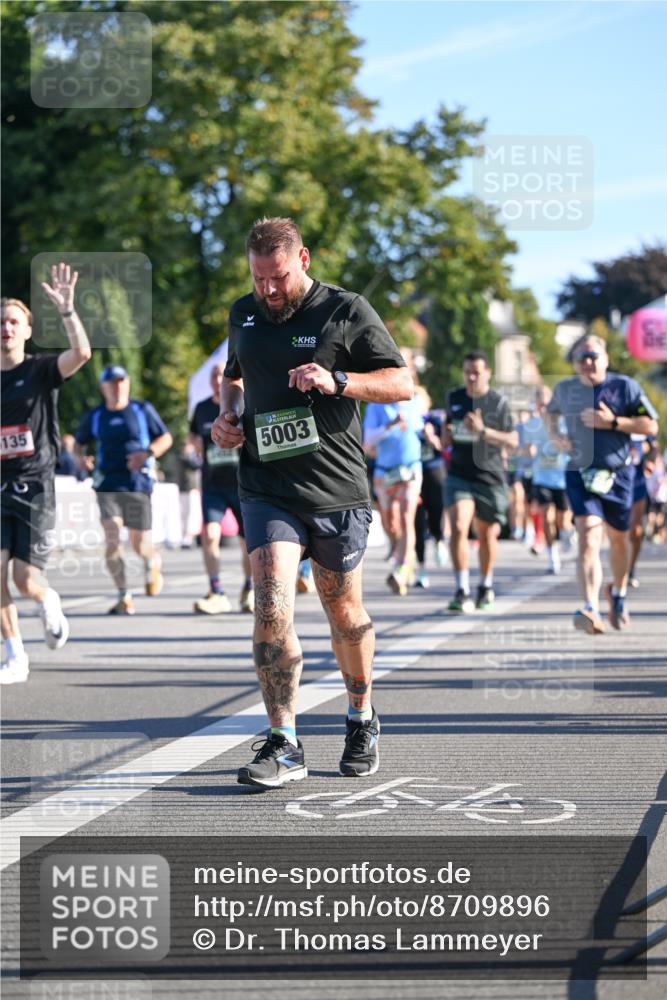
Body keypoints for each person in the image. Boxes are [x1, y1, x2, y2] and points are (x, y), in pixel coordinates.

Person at [211, 216, 412, 789]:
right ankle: (284, 741)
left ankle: (361, 716)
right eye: (258, 279)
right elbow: (236, 376)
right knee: (270, 602)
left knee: (342, 610)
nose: (268, 291)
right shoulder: (243, 312)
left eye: (277, 278)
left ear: (303, 259)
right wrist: (228, 416)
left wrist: (338, 380)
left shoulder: (345, 310)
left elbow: (401, 383)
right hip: (266, 485)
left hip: (334, 488)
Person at [1, 264, 92, 684]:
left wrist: (69, 312)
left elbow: (82, 355)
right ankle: (15, 655)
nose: (6, 327)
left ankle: (46, 597)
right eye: (0, 322)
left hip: (35, 486)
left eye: (13, 321)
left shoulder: (40, 370)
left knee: (24, 579)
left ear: (27, 329)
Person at [547, 335, 658, 633]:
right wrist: (555, 436)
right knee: (587, 535)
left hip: (618, 475)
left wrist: (612, 422)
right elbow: (550, 411)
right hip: (580, 473)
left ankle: (617, 594)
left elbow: (651, 425)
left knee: (619, 540)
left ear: (606, 358)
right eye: (580, 358)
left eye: (593, 356)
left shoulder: (625, 387)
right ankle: (590, 606)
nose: (587, 362)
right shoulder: (566, 389)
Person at [75, 366, 173, 615]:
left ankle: (152, 560)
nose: (117, 386)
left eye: (121, 381)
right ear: (103, 387)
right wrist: (81, 459)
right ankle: (124, 595)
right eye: (112, 382)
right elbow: (78, 444)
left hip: (137, 483)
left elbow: (166, 438)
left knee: (139, 543)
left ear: (127, 384)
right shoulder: (96, 415)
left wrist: (147, 453)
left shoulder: (141, 410)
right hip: (107, 483)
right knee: (112, 536)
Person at [442, 350, 518, 612]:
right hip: (459, 474)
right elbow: (446, 438)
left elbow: (513, 441)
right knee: (459, 527)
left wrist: (483, 430)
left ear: (488, 373)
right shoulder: (454, 397)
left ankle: (485, 585)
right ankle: (461, 589)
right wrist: (447, 434)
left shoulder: (498, 403)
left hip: (490, 475)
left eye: (476, 372)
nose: (471, 377)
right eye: (467, 372)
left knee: (487, 535)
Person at [189, 362, 253, 614]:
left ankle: (249, 589)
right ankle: (216, 590)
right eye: (214, 375)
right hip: (212, 484)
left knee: (247, 542)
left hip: (241, 483)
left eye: (221, 375)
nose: (218, 379)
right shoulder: (202, 408)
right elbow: (193, 437)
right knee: (210, 536)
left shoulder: (244, 403)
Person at [363, 393, 424, 596]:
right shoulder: (376, 405)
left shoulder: (415, 402)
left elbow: (419, 429)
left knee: (407, 517)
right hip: (385, 471)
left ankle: (402, 567)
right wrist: (390, 425)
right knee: (391, 524)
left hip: (411, 469)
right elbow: (368, 441)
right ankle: (404, 552)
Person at [521, 387, 571, 574]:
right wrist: (528, 452)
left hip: (562, 477)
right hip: (542, 476)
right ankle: (553, 558)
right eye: (539, 403)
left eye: (546, 403)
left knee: (563, 518)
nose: (542, 407)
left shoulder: (563, 422)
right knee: (547, 516)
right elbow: (527, 450)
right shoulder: (532, 424)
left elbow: (569, 446)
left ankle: (567, 533)